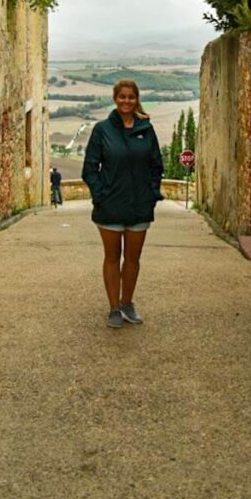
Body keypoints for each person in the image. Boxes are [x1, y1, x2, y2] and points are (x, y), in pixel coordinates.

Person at [82, 79, 163, 328]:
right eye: (122, 97)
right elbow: (89, 168)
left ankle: (127, 303)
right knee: (111, 257)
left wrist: (151, 194)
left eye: (131, 97)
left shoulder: (146, 130)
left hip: (140, 206)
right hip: (110, 206)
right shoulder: (102, 130)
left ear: (136, 99)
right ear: (115, 98)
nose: (126, 101)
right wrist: (101, 194)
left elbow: (156, 166)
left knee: (132, 258)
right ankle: (113, 308)